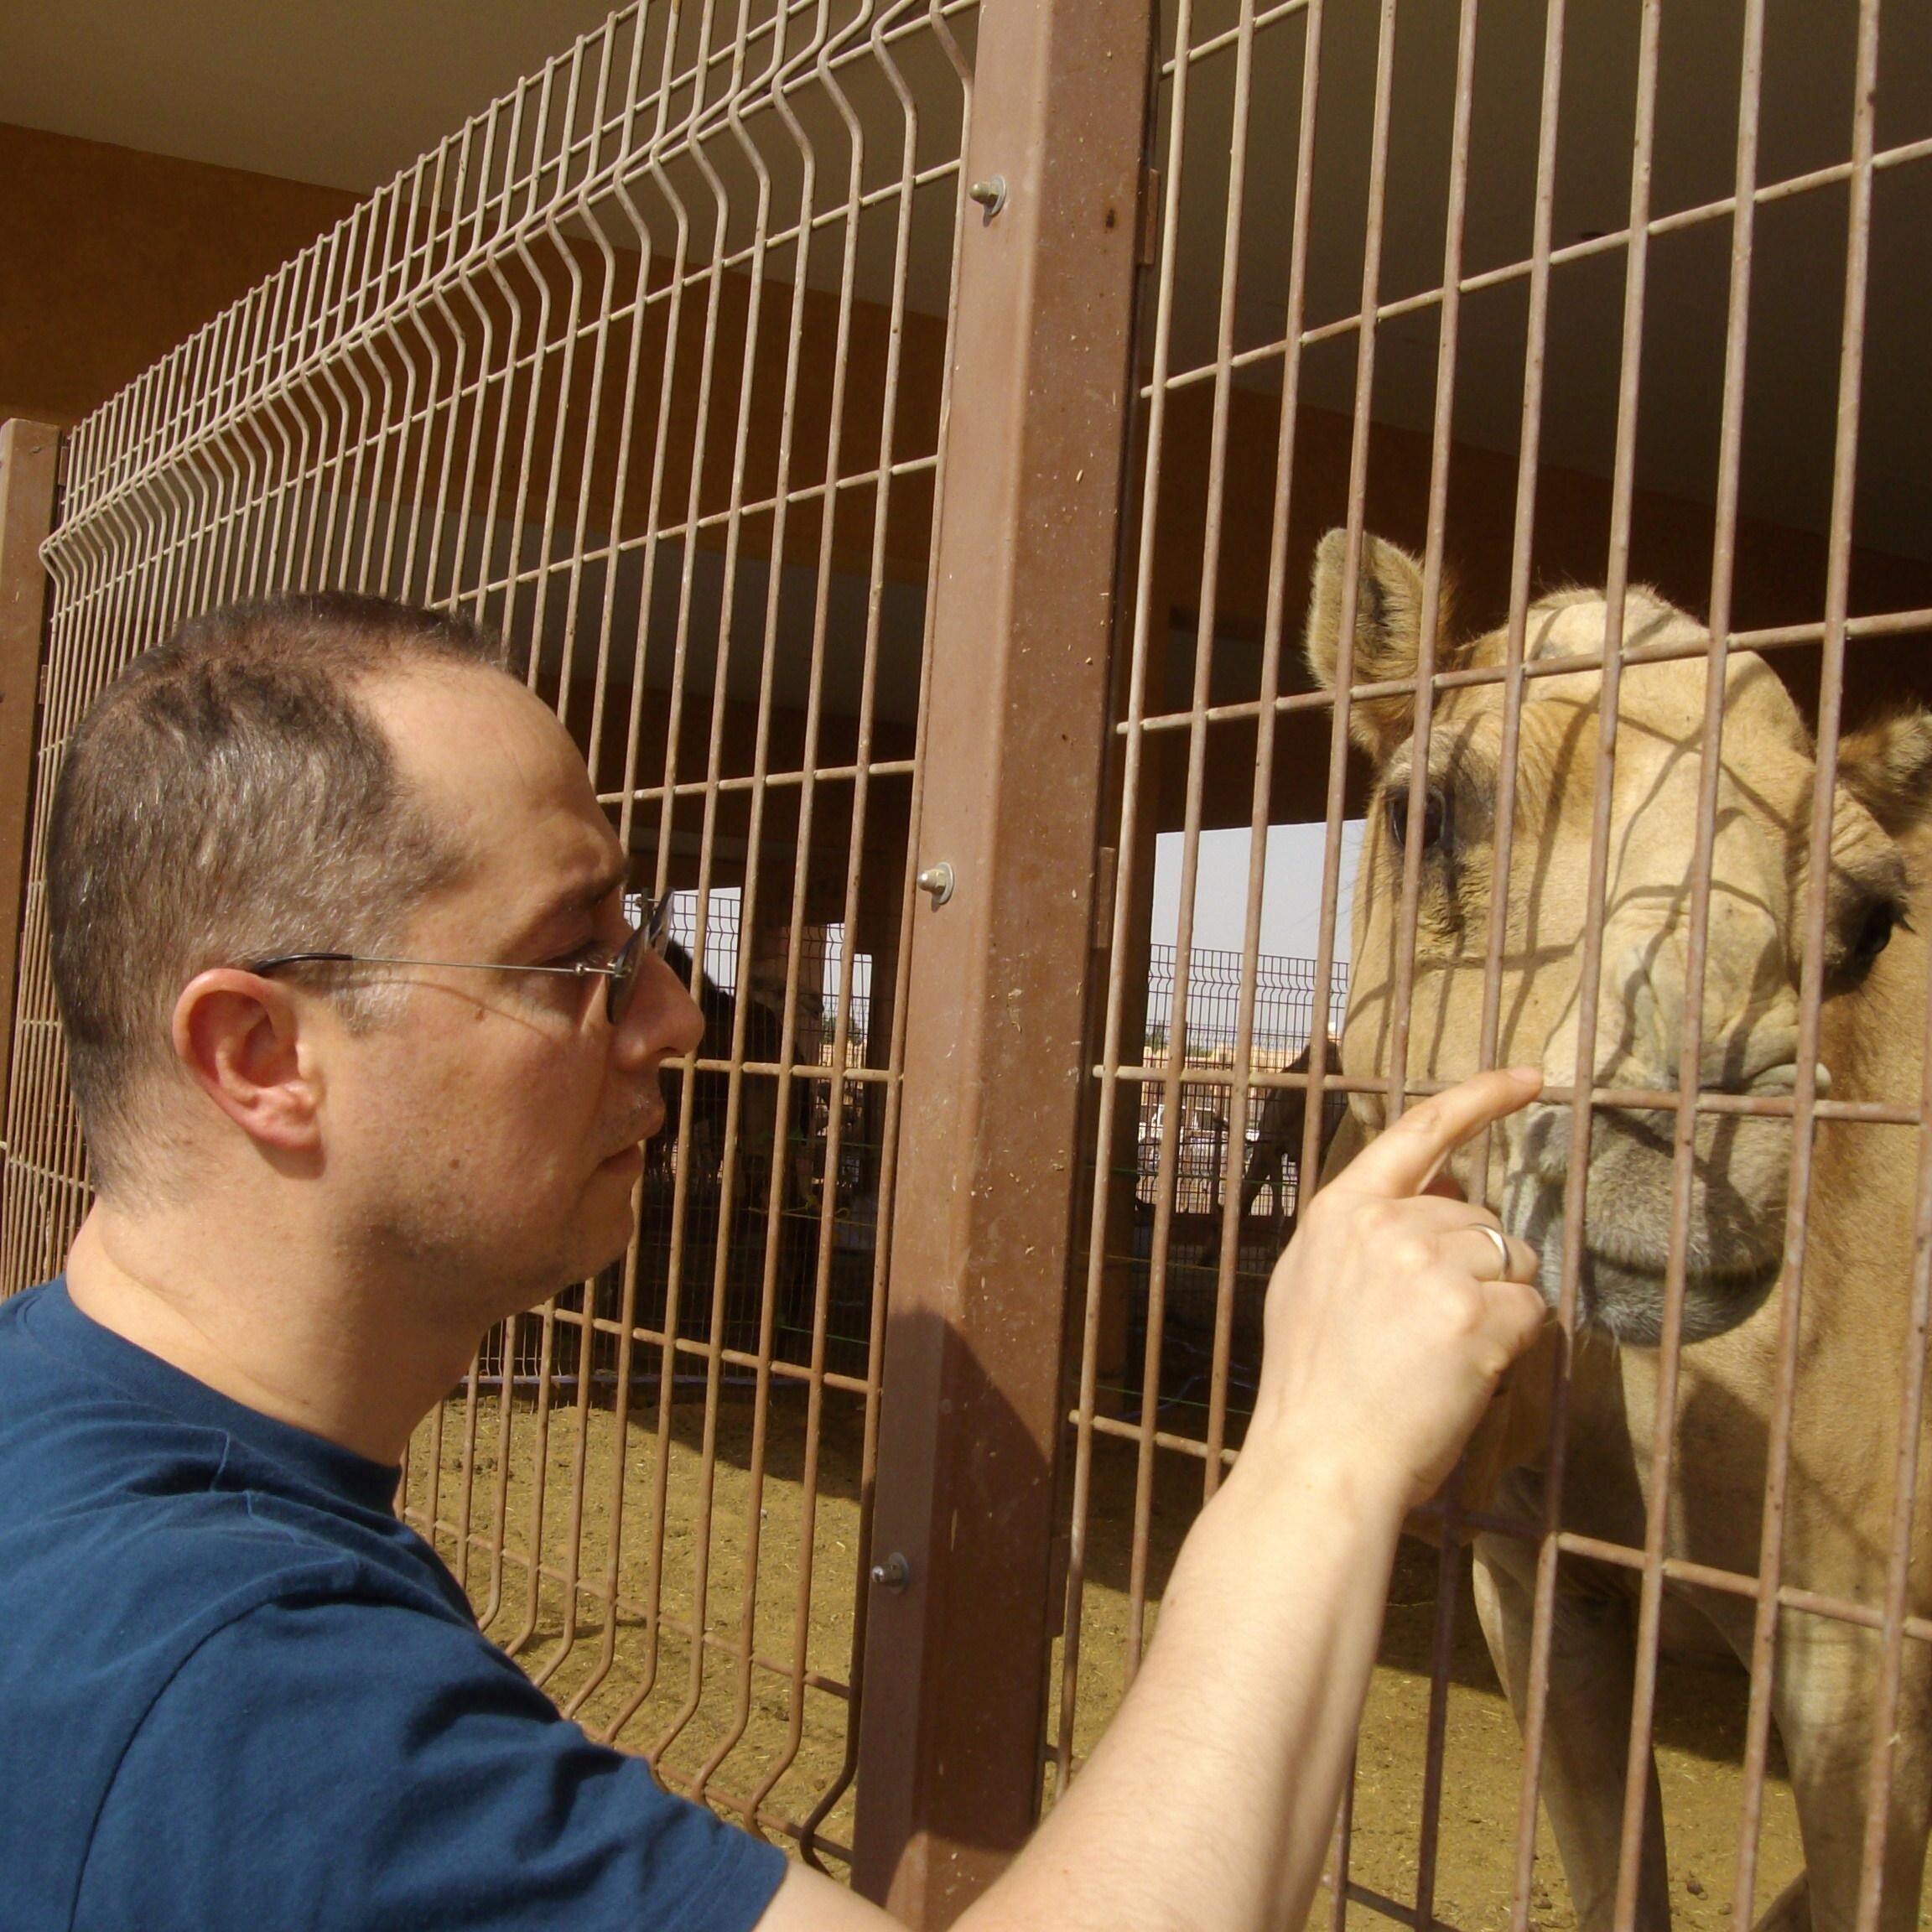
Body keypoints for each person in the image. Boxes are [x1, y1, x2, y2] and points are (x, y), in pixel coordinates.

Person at [0, 593, 1548, 1932]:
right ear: (264, 1053)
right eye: (578, 956)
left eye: (654, 938)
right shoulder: (245, 1700)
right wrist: (1324, 1457)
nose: (672, 1014)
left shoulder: (56, 1438)